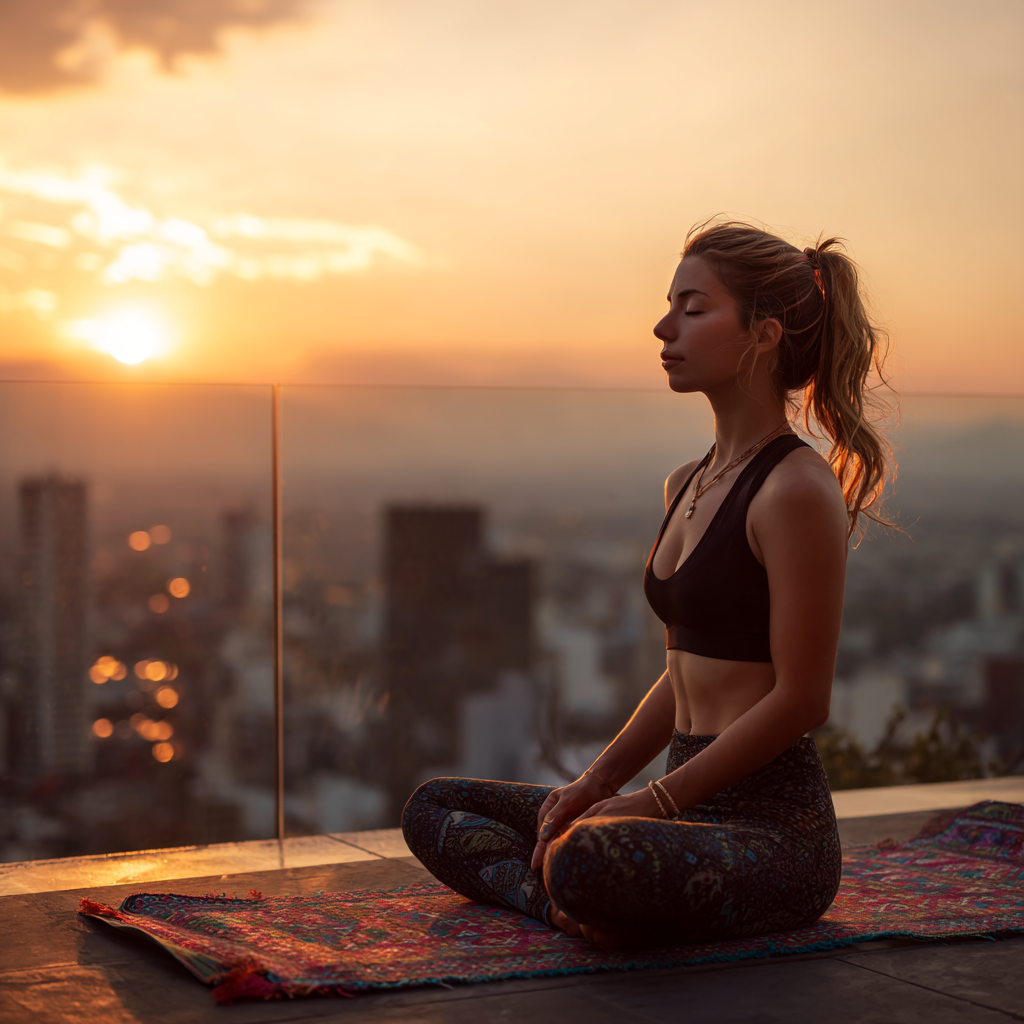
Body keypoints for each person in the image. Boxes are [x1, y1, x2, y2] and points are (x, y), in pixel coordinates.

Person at [402, 220, 892, 948]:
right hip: (676, 810)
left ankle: (567, 892)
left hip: (770, 833)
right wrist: (597, 784)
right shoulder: (685, 482)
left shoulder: (795, 489)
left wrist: (652, 804)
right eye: (670, 307)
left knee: (588, 857)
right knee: (434, 806)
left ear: (764, 334)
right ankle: (563, 907)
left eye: (693, 308)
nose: (665, 327)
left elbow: (801, 699)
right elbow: (682, 671)